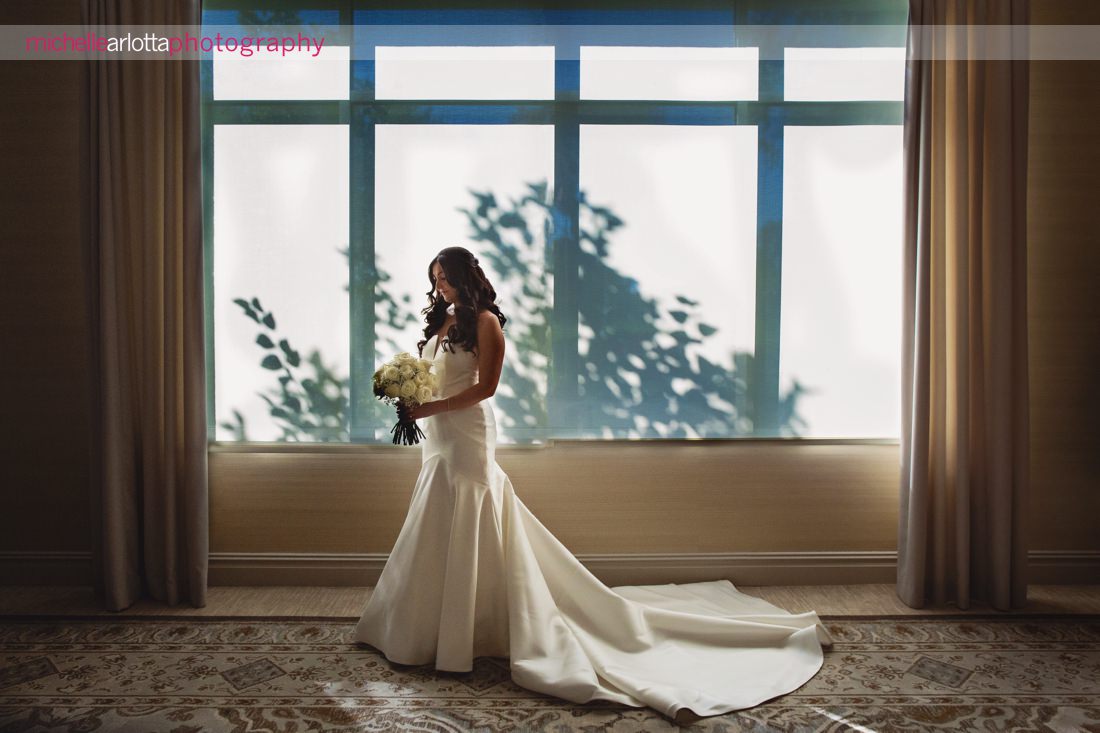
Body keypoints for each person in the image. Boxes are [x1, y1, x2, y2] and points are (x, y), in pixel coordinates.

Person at [354, 245, 833, 723]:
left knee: (473, 510)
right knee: (436, 512)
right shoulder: (439, 323)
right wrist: (410, 395)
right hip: (437, 436)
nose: (441, 287)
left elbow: (486, 388)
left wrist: (432, 408)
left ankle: (479, 629)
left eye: (448, 279)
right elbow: (433, 378)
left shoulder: (487, 324)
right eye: (436, 279)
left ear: (467, 278)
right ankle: (426, 627)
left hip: (467, 433)